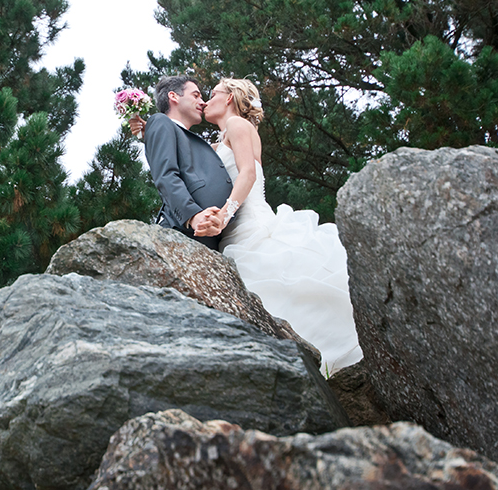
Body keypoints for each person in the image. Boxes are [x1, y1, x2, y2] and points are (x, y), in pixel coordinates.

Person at [132, 78, 362, 375]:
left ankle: (319, 360)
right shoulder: (214, 142)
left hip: (249, 224)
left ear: (229, 99)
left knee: (282, 289)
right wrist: (147, 130)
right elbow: (181, 157)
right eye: (200, 95)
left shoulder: (240, 126)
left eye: (210, 94)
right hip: (226, 237)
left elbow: (248, 175)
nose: (204, 101)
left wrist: (224, 216)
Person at [141, 75, 235, 250]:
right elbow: (166, 176)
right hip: (182, 232)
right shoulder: (160, 121)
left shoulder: (190, 139)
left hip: (211, 237)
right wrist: (193, 216)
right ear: (174, 96)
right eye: (196, 95)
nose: (203, 102)